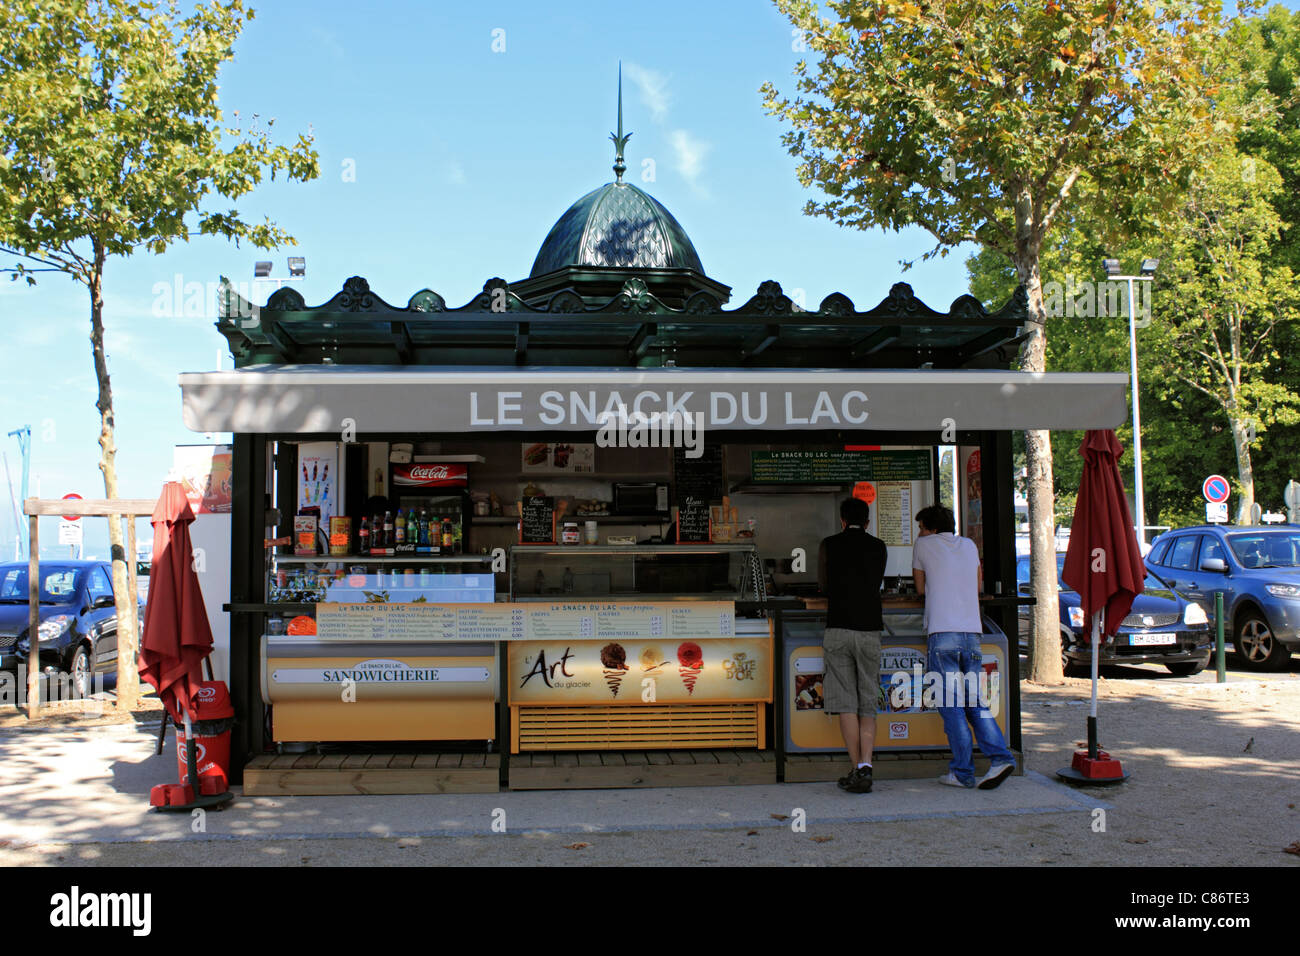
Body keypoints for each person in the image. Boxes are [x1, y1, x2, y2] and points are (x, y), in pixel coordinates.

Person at [911, 504, 1016, 790]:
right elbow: (977, 583)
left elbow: (920, 589)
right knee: (974, 701)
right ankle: (999, 757)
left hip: (942, 634)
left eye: (922, 527)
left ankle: (962, 771)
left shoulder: (923, 544)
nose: (919, 532)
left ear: (931, 529)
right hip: (972, 633)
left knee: (951, 706)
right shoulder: (969, 545)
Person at [817, 497, 888, 793]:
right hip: (870, 627)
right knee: (867, 698)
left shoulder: (829, 544)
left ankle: (854, 766)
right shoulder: (879, 547)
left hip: (838, 627)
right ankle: (866, 765)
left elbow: (823, 585)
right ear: (868, 522)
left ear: (842, 520)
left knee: (846, 701)